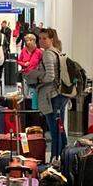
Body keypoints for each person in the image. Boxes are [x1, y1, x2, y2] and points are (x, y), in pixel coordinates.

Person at [32, 28, 71, 160]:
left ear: (51, 39)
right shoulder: (57, 52)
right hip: (61, 94)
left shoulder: (48, 54)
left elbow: (50, 76)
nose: (41, 41)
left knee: (54, 130)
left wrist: (37, 79)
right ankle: (65, 156)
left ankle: (54, 158)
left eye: (44, 38)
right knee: (60, 128)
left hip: (52, 96)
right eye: (40, 38)